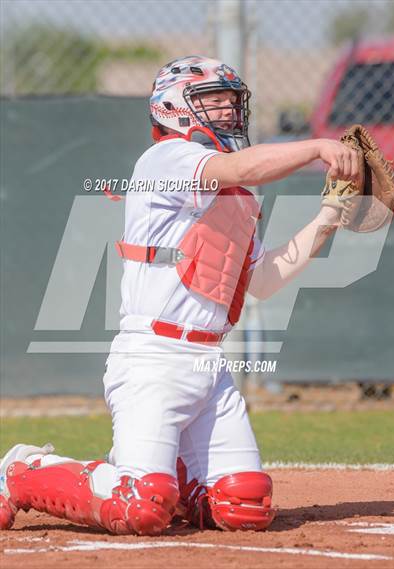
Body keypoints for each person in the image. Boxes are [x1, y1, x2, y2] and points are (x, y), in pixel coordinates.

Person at [0, 56, 359, 535]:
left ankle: (178, 481)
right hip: (153, 359)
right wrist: (317, 147)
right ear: (173, 107)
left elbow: (261, 281)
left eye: (233, 101)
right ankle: (22, 471)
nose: (229, 110)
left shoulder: (237, 194)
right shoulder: (168, 158)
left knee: (244, 506)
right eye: (214, 99)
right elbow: (237, 167)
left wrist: (329, 216)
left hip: (210, 365)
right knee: (140, 505)